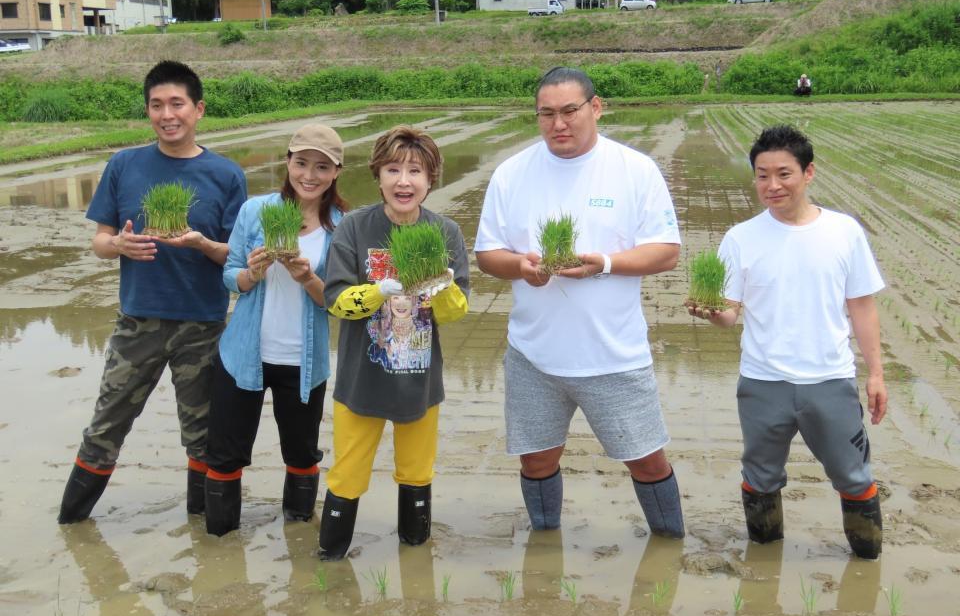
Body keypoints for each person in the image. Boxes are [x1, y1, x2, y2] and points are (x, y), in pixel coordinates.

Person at [474, 66, 685, 539]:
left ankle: (669, 541)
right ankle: (545, 539)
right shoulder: (511, 174)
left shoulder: (634, 170)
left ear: (596, 107)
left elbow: (666, 251)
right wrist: (521, 267)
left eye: (570, 111)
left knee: (646, 460)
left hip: (613, 354)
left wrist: (604, 263)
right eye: (546, 114)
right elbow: (488, 254)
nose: (558, 123)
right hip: (534, 355)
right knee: (537, 458)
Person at [57, 61, 247, 524]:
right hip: (138, 322)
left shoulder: (226, 174)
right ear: (148, 111)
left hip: (202, 326)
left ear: (198, 109)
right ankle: (71, 524)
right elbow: (100, 241)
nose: (167, 114)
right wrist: (118, 245)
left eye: (177, 104)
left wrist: (202, 244)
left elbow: (236, 257)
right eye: (157, 105)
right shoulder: (124, 165)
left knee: (202, 435)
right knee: (106, 426)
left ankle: (205, 531)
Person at [687, 124, 887, 559]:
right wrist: (712, 312)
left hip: (829, 380)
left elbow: (862, 307)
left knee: (853, 476)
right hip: (763, 382)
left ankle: (867, 559)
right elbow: (729, 314)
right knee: (760, 477)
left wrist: (876, 373)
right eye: (762, 175)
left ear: (808, 173)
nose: (772, 185)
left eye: (783, 174)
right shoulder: (740, 238)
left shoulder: (843, 231)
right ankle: (763, 562)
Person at [317, 126, 470, 560]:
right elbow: (336, 302)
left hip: (419, 378)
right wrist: (379, 291)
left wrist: (442, 288)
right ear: (378, 175)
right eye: (393, 170)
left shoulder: (446, 232)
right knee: (347, 473)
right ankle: (329, 559)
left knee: (417, 472)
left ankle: (415, 556)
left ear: (430, 178)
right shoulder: (354, 227)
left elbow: (456, 311)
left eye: (415, 171)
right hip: (361, 379)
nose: (404, 181)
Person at [203, 124, 348, 536]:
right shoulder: (255, 211)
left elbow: (337, 302)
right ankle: (220, 544)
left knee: (302, 454)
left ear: (336, 172)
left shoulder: (342, 226)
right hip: (243, 355)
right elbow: (230, 276)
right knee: (225, 454)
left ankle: (298, 538)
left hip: (303, 362)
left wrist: (307, 277)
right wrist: (252, 273)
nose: (309, 175)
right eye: (301, 163)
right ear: (287, 162)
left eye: (322, 167)